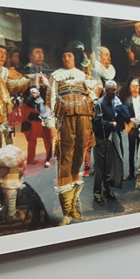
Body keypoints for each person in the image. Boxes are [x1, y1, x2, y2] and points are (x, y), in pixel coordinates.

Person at [48, 47, 98, 224]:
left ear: (75, 58)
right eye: (63, 55)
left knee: (79, 159)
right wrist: (51, 126)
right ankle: (66, 211)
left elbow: (97, 88)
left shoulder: (83, 75)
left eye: (69, 55)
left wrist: (89, 99)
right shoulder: (55, 76)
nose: (66, 58)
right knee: (65, 160)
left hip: (83, 118)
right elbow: (50, 101)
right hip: (65, 118)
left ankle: (74, 206)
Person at [92, 80, 125, 204]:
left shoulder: (111, 102)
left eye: (115, 89)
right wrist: (112, 124)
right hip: (101, 140)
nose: (115, 92)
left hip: (109, 138)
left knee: (108, 168)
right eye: (113, 90)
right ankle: (97, 194)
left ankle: (106, 190)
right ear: (106, 91)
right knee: (100, 169)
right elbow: (97, 123)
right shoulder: (99, 104)